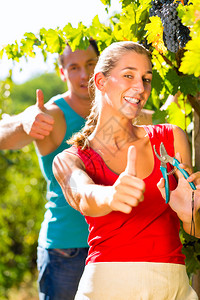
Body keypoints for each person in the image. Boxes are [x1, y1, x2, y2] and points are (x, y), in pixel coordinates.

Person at [53, 41, 200, 300]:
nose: (140, 88)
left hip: (173, 289)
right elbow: (82, 193)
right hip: (107, 288)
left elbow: (195, 230)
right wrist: (110, 196)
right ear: (100, 81)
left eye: (146, 78)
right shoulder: (70, 159)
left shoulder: (171, 139)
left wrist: (190, 215)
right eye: (128, 75)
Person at [0, 39, 99, 300]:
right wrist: (25, 121)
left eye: (90, 64)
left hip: (110, 244)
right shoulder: (54, 114)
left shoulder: (113, 108)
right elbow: (3, 135)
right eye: (74, 67)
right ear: (62, 72)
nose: (84, 74)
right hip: (67, 249)